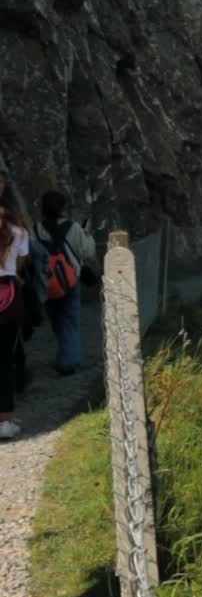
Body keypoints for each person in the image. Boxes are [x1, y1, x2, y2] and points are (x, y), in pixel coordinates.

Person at [35, 191, 96, 376]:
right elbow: (88, 251)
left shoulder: (37, 228)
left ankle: (65, 355)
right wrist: (88, 234)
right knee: (70, 321)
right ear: (63, 208)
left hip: (47, 282)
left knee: (57, 321)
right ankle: (68, 361)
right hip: (70, 280)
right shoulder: (74, 228)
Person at [0, 181, 31, 439]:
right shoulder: (20, 233)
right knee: (4, 361)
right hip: (8, 296)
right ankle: (5, 420)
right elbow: (20, 265)